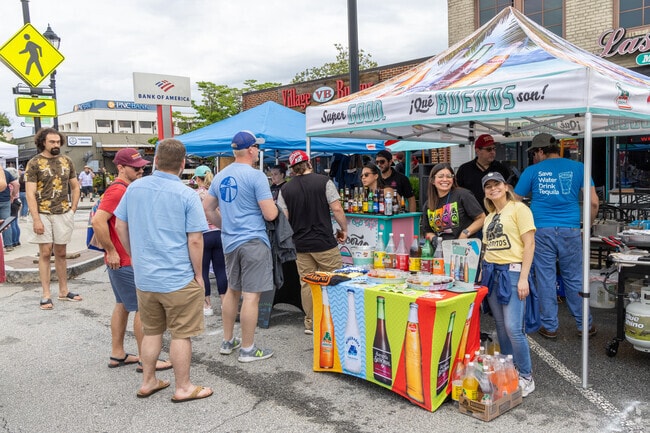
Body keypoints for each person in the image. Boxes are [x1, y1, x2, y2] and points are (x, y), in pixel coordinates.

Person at [114, 138, 212, 402]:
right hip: (178, 277)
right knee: (181, 334)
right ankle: (183, 387)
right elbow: (195, 239)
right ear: (182, 164)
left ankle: (148, 381)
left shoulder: (134, 189)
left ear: (155, 160)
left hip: (146, 277)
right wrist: (199, 275)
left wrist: (134, 254)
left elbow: (120, 225)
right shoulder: (187, 195)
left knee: (151, 330)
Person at [92, 148, 173, 373]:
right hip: (124, 260)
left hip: (120, 260)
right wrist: (112, 251)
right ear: (120, 167)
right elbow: (98, 221)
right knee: (142, 309)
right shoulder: (118, 191)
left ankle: (118, 353)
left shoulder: (124, 189)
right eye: (135, 167)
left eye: (143, 167)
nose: (141, 170)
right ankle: (146, 359)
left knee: (122, 305)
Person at [514, 133, 599, 340]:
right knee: (574, 277)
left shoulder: (532, 171)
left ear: (541, 151)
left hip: (541, 229)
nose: (534, 157)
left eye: (535, 152)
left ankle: (550, 326)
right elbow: (594, 202)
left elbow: (514, 201)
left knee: (545, 277)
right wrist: (586, 227)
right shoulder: (579, 167)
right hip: (570, 228)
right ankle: (584, 325)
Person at [203, 130, 278, 362]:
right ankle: (248, 349)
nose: (258, 151)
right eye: (257, 148)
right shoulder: (256, 177)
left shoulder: (220, 175)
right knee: (251, 296)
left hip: (230, 242)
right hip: (254, 241)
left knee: (231, 292)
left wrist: (225, 225)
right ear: (251, 150)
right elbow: (270, 214)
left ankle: (228, 341)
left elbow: (207, 208)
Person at [277, 150, 347, 335]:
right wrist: (344, 229)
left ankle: (311, 323)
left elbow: (284, 218)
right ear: (309, 163)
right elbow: (337, 209)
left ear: (292, 169)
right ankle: (336, 320)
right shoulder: (324, 181)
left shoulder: (285, 189)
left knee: (306, 283)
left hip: (299, 244)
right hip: (324, 242)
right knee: (334, 280)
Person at [480, 171, 536, 397]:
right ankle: (508, 369)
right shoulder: (489, 216)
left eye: (497, 184)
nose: (493, 188)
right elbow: (487, 248)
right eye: (488, 186)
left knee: (514, 328)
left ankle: (526, 376)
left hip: (512, 273)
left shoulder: (519, 209)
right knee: (501, 327)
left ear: (505, 187)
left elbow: (529, 243)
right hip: (492, 273)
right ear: (485, 192)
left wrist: (524, 277)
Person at [25, 128, 82, 310]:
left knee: (61, 253)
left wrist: (73, 208)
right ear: (43, 142)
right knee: (45, 252)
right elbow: (30, 193)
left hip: (63, 213)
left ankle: (64, 291)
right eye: (52, 142)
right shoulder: (34, 163)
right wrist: (36, 219)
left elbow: (75, 186)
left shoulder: (67, 161)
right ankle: (46, 294)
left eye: (58, 142)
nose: (56, 145)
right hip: (42, 212)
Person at [193, 165, 228, 316]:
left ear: (197, 178)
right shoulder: (216, 193)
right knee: (221, 269)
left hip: (204, 235)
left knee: (203, 271)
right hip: (219, 233)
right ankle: (224, 303)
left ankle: (207, 305)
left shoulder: (196, 194)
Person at [421, 163, 485, 241]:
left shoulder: (463, 195)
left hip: (465, 247)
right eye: (440, 176)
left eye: (449, 176)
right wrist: (434, 239)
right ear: (432, 181)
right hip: (440, 250)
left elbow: (481, 218)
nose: (445, 179)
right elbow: (427, 231)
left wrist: (465, 233)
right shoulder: (428, 204)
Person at [456, 134, 512, 213]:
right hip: (472, 216)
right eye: (489, 149)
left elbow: (510, 190)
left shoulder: (501, 168)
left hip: (498, 214)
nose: (492, 152)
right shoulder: (464, 169)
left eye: (494, 149)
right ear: (477, 150)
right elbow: (457, 193)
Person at [0, 167, 18, 251]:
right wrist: (13, 195)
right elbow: (16, 184)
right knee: (6, 223)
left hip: (4, 199)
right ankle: (8, 245)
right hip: (5, 200)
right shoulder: (5, 172)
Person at [6, 167, 21, 249]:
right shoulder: (16, 182)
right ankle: (17, 240)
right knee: (15, 222)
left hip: (12, 202)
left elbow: (10, 194)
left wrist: (11, 197)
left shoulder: (10, 184)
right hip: (17, 202)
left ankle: (13, 241)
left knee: (11, 223)